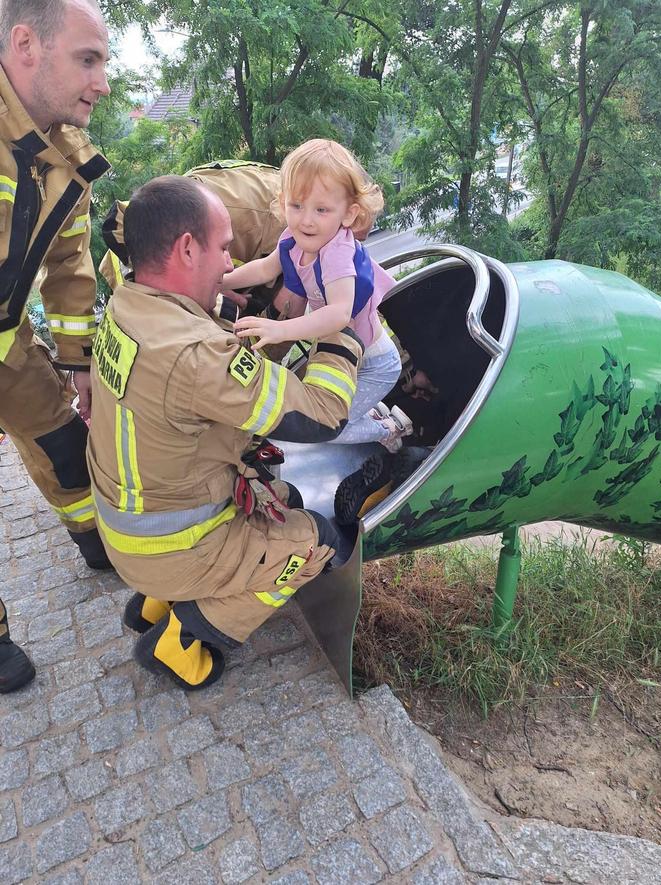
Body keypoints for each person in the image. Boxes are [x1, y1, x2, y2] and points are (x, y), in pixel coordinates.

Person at [86, 175, 364, 691]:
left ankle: (157, 598)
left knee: (287, 496)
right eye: (223, 247)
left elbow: (203, 375)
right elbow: (324, 414)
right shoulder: (195, 356)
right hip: (171, 543)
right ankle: (182, 638)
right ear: (186, 249)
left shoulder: (129, 303)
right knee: (316, 542)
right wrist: (344, 336)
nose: (230, 264)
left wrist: (267, 325)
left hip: (132, 523)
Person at [0, 0, 112, 692]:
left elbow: (71, 268)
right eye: (88, 59)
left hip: (11, 350)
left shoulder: (66, 158)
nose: (102, 82)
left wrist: (81, 370)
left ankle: (92, 535)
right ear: (24, 45)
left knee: (67, 444)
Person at [223, 139, 413, 452]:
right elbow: (265, 270)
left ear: (349, 214)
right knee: (333, 414)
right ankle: (371, 411)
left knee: (326, 428)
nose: (306, 220)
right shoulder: (293, 238)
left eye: (321, 209)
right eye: (296, 206)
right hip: (345, 356)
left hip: (373, 364)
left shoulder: (337, 253)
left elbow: (339, 313)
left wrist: (279, 329)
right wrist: (221, 281)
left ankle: (387, 428)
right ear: (283, 202)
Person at [99, 160, 285, 315]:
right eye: (223, 248)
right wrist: (218, 288)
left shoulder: (292, 213)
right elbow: (122, 220)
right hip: (131, 273)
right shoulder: (271, 218)